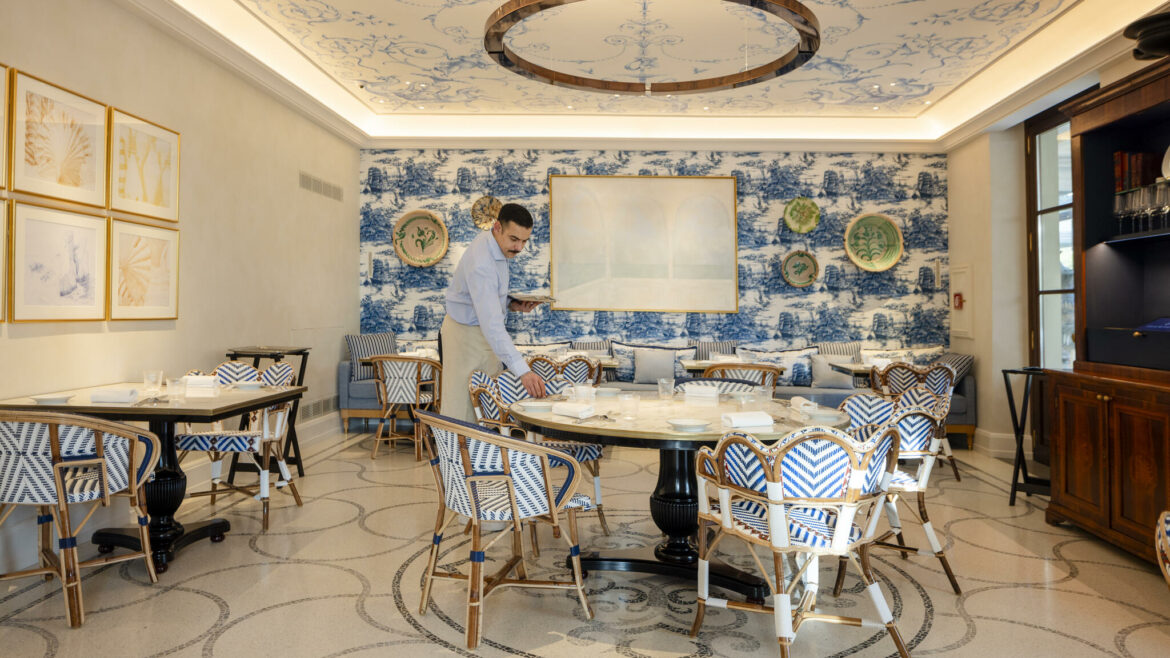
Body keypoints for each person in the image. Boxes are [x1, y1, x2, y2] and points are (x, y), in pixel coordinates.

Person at [440, 203, 545, 422]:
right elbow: (492, 325)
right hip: (465, 337)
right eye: (514, 239)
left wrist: (510, 303)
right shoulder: (481, 264)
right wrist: (523, 372)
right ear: (497, 227)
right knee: (463, 406)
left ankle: (484, 455)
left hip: (480, 333)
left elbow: (483, 298)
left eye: (524, 241)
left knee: (487, 403)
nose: (519, 248)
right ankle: (458, 456)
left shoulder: (494, 244)